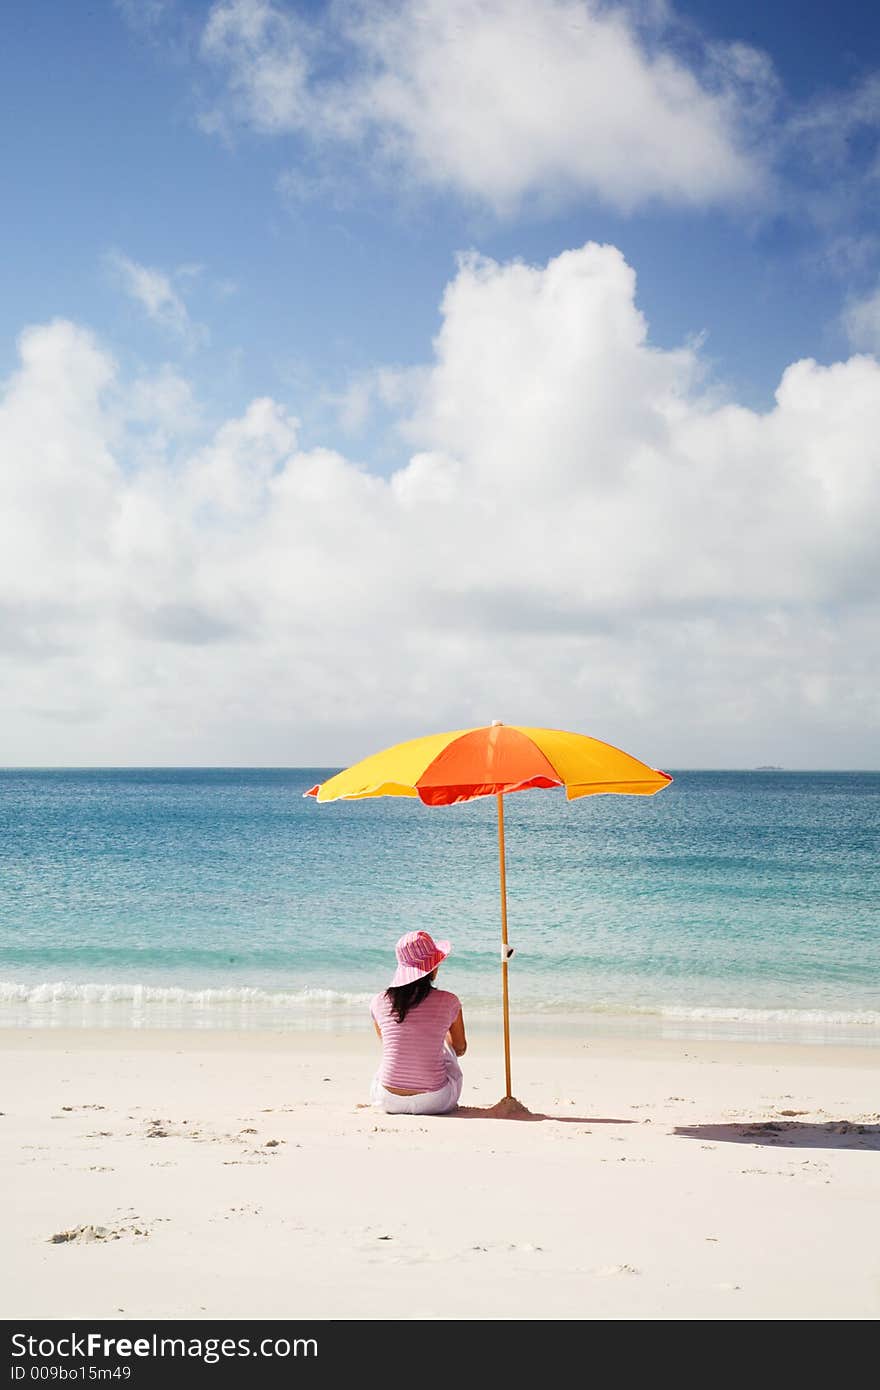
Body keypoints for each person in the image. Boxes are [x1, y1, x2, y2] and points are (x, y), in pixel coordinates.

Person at [369, 930, 467, 1115]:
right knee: (443, 1047)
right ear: (433, 967)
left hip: (387, 1100)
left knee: (391, 1056)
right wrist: (441, 1035)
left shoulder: (378, 1001)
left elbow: (390, 1044)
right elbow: (460, 1049)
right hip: (435, 1101)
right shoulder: (450, 1001)